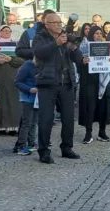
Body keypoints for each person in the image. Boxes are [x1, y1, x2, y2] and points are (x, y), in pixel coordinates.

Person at [33, 12, 82, 163]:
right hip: (48, 83)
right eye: (55, 23)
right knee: (46, 119)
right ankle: (44, 151)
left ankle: (67, 148)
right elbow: (38, 53)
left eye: (60, 22)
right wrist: (56, 44)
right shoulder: (39, 37)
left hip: (66, 83)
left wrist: (74, 48)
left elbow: (76, 58)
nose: (59, 25)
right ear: (47, 25)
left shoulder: (64, 36)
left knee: (68, 118)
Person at [76, 27, 110, 144]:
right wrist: (83, 61)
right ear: (91, 34)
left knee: (103, 106)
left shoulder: (105, 47)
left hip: (102, 81)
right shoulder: (84, 47)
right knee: (89, 107)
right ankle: (88, 133)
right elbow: (77, 63)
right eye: (96, 33)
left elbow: (108, 63)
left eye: (100, 33)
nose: (98, 36)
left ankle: (102, 132)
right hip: (89, 81)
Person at [0, 25, 23, 133]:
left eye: (8, 31)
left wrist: (11, 59)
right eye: (4, 30)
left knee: (13, 101)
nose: (6, 32)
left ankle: (13, 127)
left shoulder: (17, 45)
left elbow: (22, 59)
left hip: (12, 77)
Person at [14, 58, 39, 155]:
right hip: (27, 98)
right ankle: (21, 145)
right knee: (26, 122)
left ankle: (31, 143)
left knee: (33, 122)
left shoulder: (41, 65)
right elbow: (17, 82)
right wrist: (29, 89)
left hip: (37, 99)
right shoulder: (27, 66)